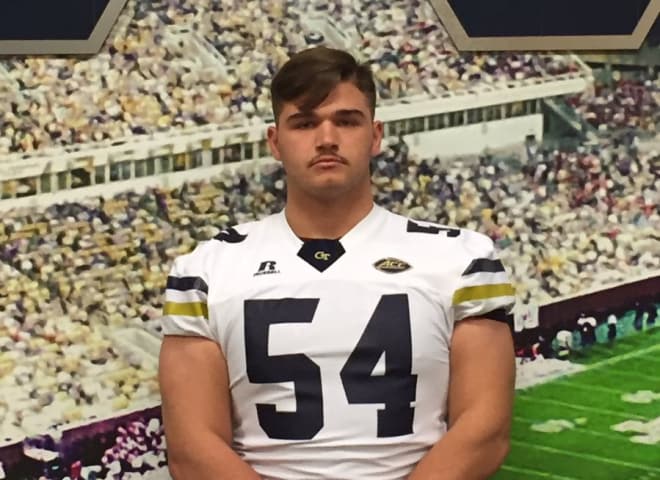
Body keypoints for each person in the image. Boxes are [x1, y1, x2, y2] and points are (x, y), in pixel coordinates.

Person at [158, 46, 516, 480]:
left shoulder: (460, 259)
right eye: (305, 122)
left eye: (346, 121)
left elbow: (485, 429)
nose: (326, 138)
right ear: (275, 141)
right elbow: (191, 449)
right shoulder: (207, 270)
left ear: (376, 135)